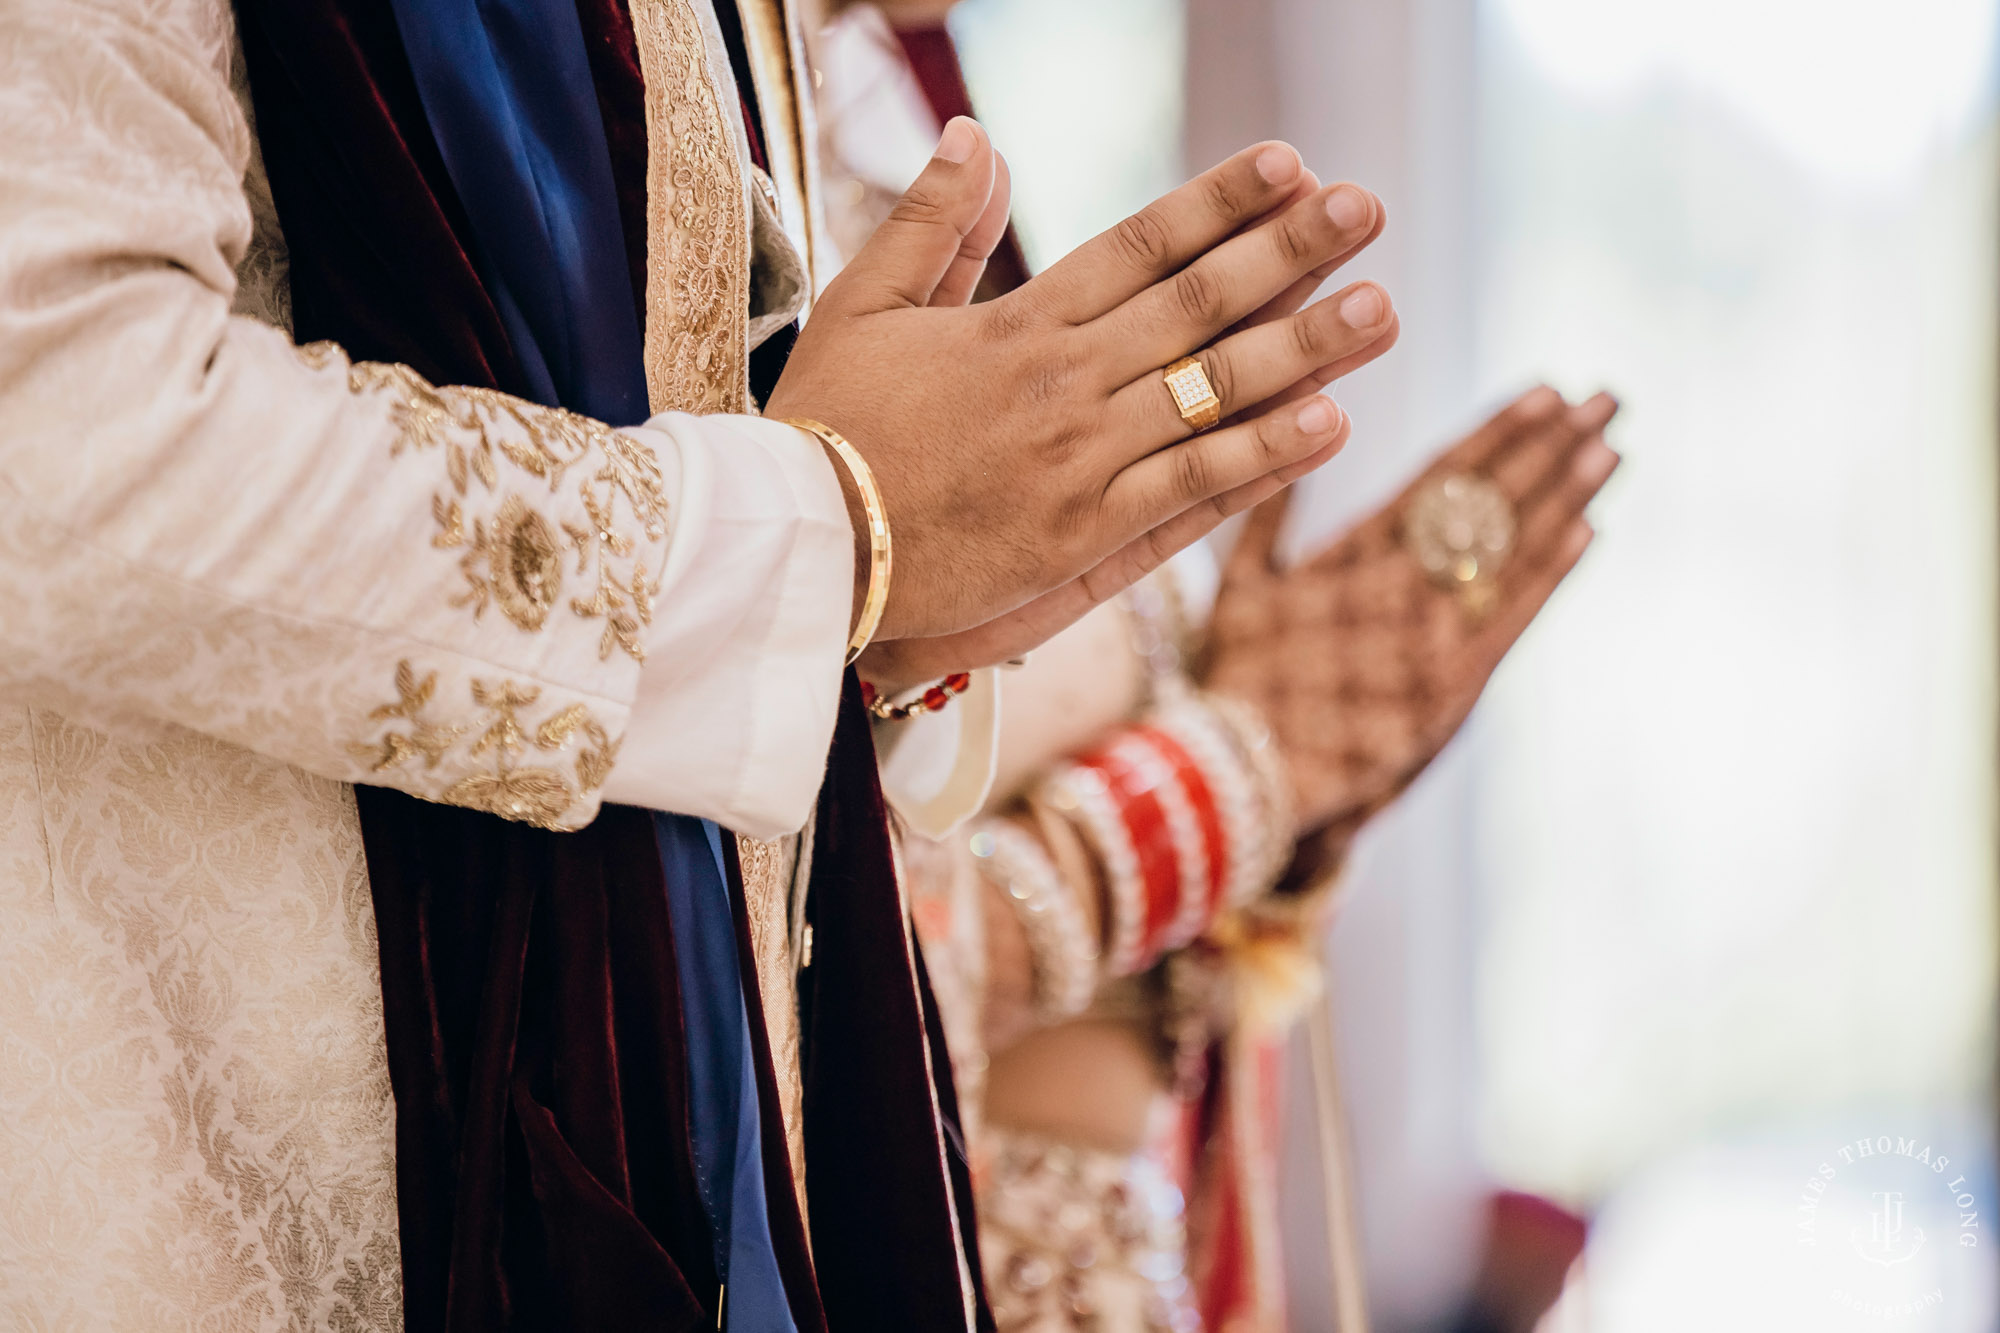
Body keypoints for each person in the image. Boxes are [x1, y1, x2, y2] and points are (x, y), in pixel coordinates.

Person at [0, 1, 1401, 1329]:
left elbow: (752, 556)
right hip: (209, 1167)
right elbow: (51, 450)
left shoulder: (833, 77)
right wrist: (1203, 794)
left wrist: (873, 606)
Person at [812, 8, 1619, 1329]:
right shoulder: (641, 121)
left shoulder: (888, 97)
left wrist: (1282, 741)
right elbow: (721, 964)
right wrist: (1223, 780)